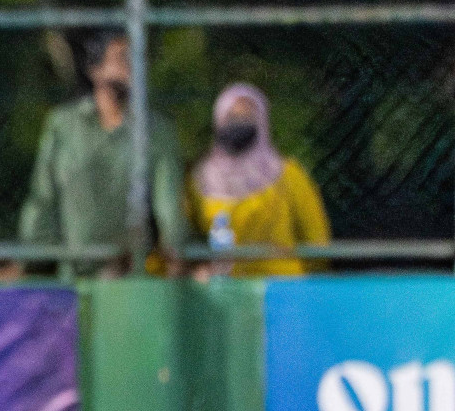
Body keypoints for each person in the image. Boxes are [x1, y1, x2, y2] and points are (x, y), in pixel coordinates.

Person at [17, 30, 188, 277]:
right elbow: (43, 199)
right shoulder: (64, 125)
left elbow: (169, 207)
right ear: (94, 69)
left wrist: (175, 258)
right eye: (122, 58)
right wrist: (31, 262)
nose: (133, 66)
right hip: (72, 275)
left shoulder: (157, 131)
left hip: (132, 276)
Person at [190, 83, 330, 277]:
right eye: (232, 117)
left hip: (281, 287)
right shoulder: (200, 179)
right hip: (222, 289)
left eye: (247, 117)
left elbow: (317, 240)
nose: (239, 124)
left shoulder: (288, 175)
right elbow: (181, 240)